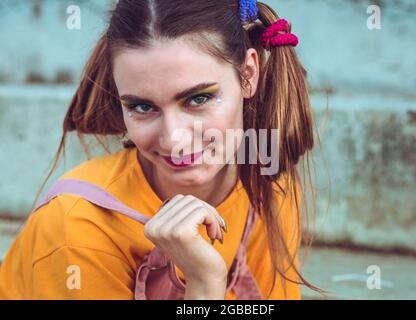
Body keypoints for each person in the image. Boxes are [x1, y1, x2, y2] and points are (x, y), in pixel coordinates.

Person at [0, 0, 318, 300]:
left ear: (248, 74)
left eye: (198, 99)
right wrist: (205, 284)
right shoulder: (77, 225)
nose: (175, 139)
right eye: (142, 106)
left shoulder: (271, 190)